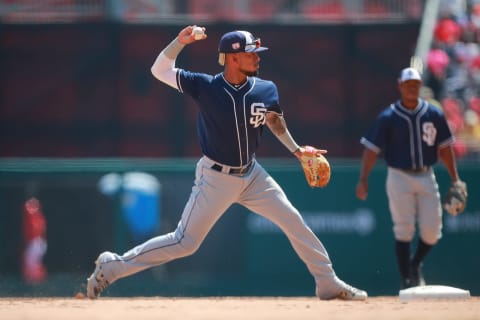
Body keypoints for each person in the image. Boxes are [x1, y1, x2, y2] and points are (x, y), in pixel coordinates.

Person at [86, 25, 367, 301]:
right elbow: (159, 71)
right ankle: (112, 266)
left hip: (253, 175)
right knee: (185, 242)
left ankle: (327, 283)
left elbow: (273, 120)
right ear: (233, 58)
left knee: (293, 220)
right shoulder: (206, 86)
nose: (258, 57)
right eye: (251, 53)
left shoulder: (266, 89)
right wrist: (179, 42)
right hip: (216, 177)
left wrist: (296, 150)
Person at [355, 67, 465, 290]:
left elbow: (445, 148)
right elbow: (371, 150)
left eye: (416, 84)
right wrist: (363, 179)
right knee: (403, 228)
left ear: (420, 86)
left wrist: (455, 179)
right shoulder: (389, 116)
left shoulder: (433, 114)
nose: (412, 88)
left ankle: (415, 264)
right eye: (408, 84)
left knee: (433, 231)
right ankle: (406, 279)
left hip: (426, 173)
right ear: (400, 86)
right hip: (399, 176)